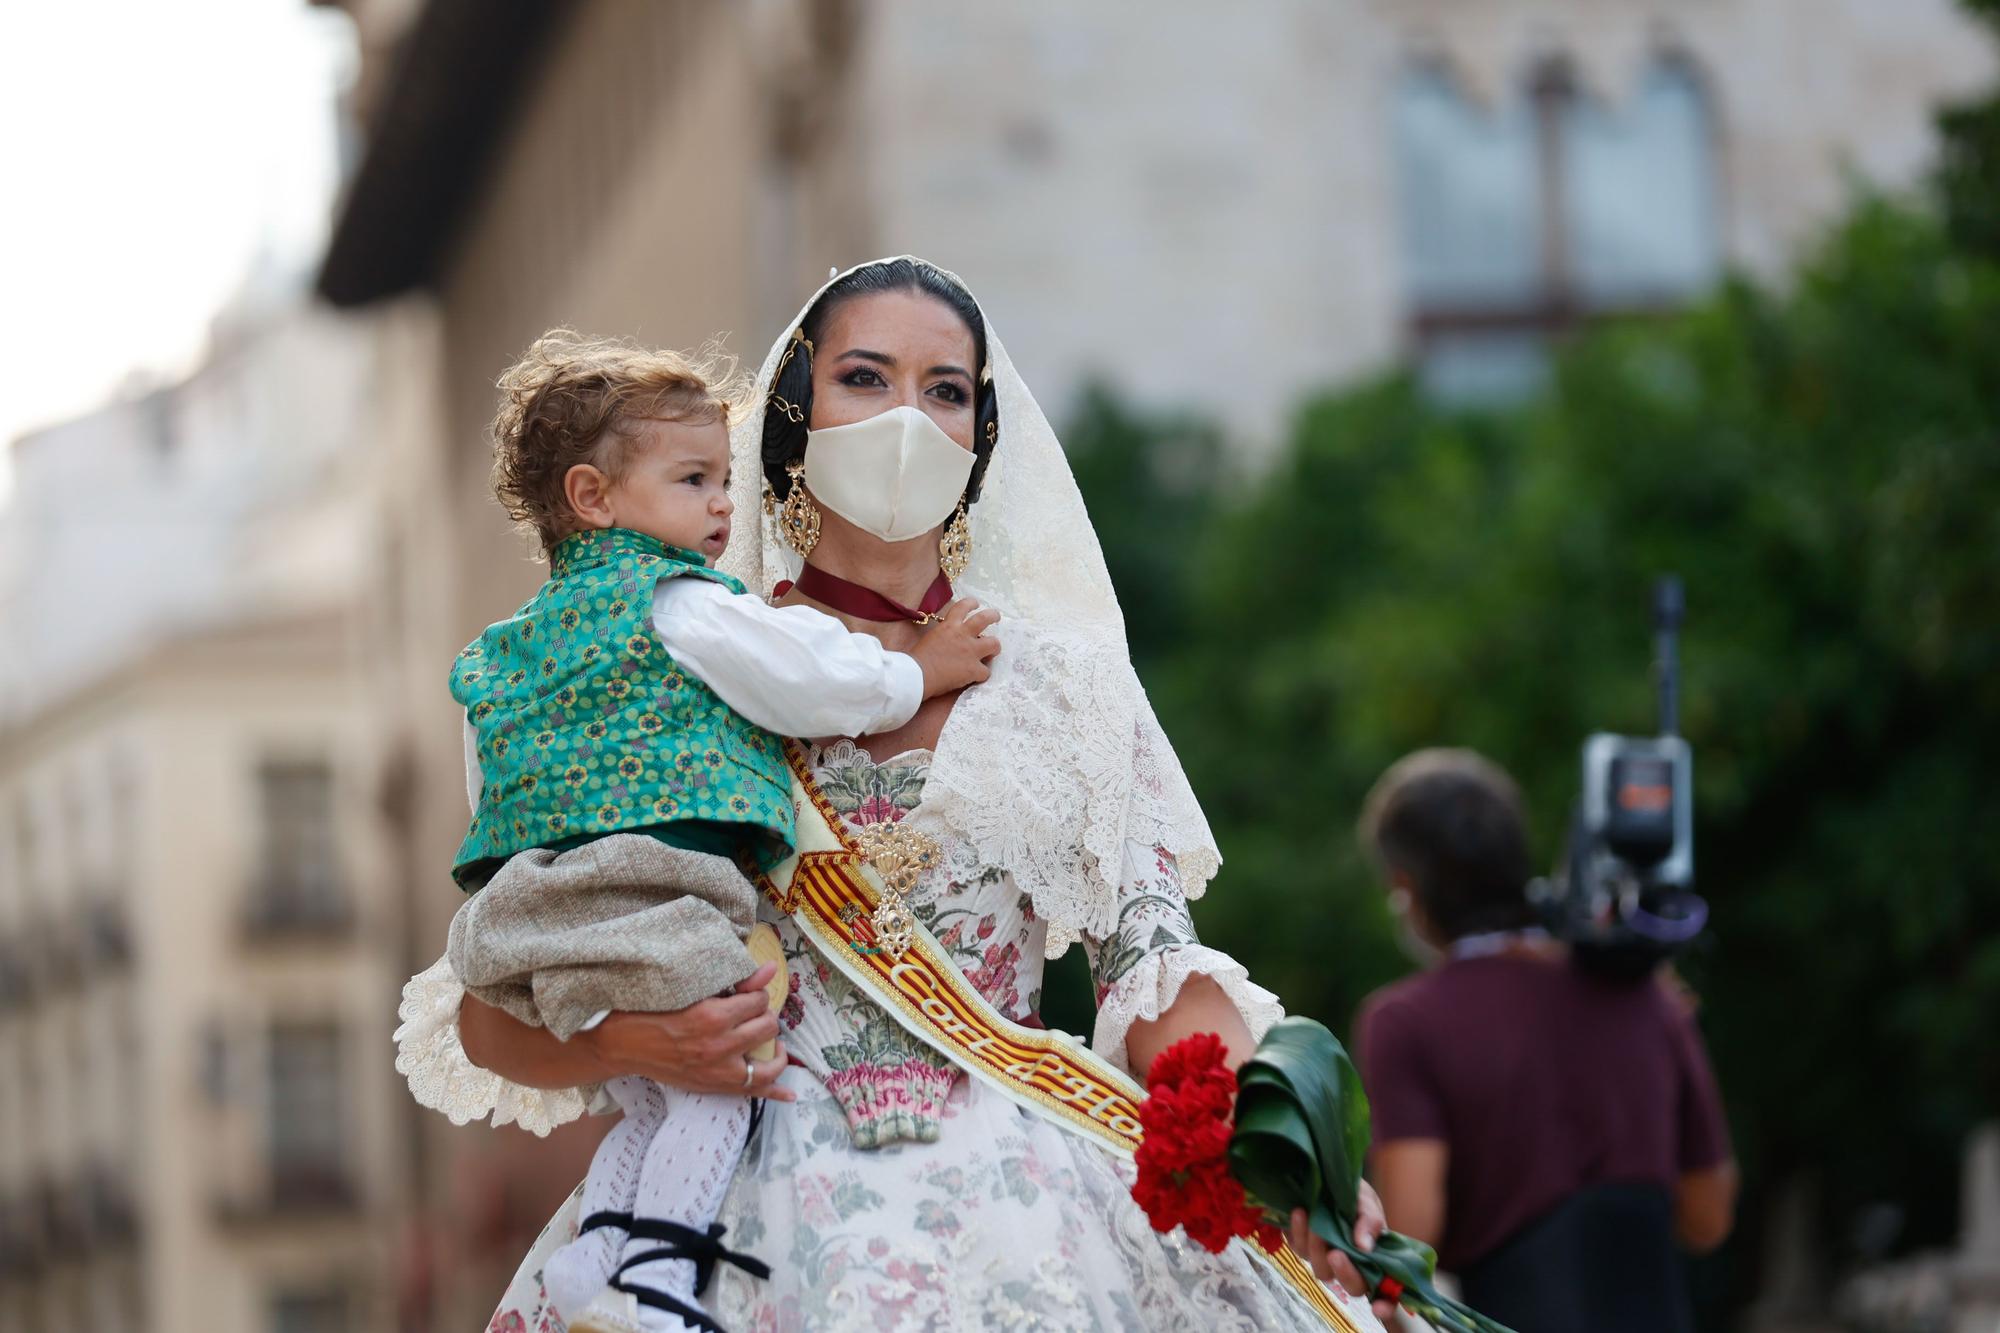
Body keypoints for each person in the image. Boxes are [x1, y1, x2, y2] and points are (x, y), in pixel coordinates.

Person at [394, 258, 1397, 1332]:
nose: (907, 418)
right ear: (789, 417)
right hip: (726, 1205)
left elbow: (1149, 958)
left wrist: (1282, 1143)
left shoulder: (1061, 682)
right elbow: (502, 988)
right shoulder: (666, 662)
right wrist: (621, 1047)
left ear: (980, 437)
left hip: (1032, 1194)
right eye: (864, 379)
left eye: (946, 390)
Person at [442, 330, 1001, 1331]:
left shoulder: (495, 656)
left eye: (725, 479)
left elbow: (489, 790)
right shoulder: (681, 605)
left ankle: (594, 1267)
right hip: (657, 900)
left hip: (531, 921)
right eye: (694, 477)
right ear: (592, 497)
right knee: (717, 1095)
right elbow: (806, 679)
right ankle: (660, 1283)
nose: (720, 503)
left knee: (649, 1102)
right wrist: (917, 672)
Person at [1351, 748, 1738, 1333]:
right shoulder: (1652, 997)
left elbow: (1412, 1237)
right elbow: (1708, 1216)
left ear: (1406, 885)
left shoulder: (1406, 1021)